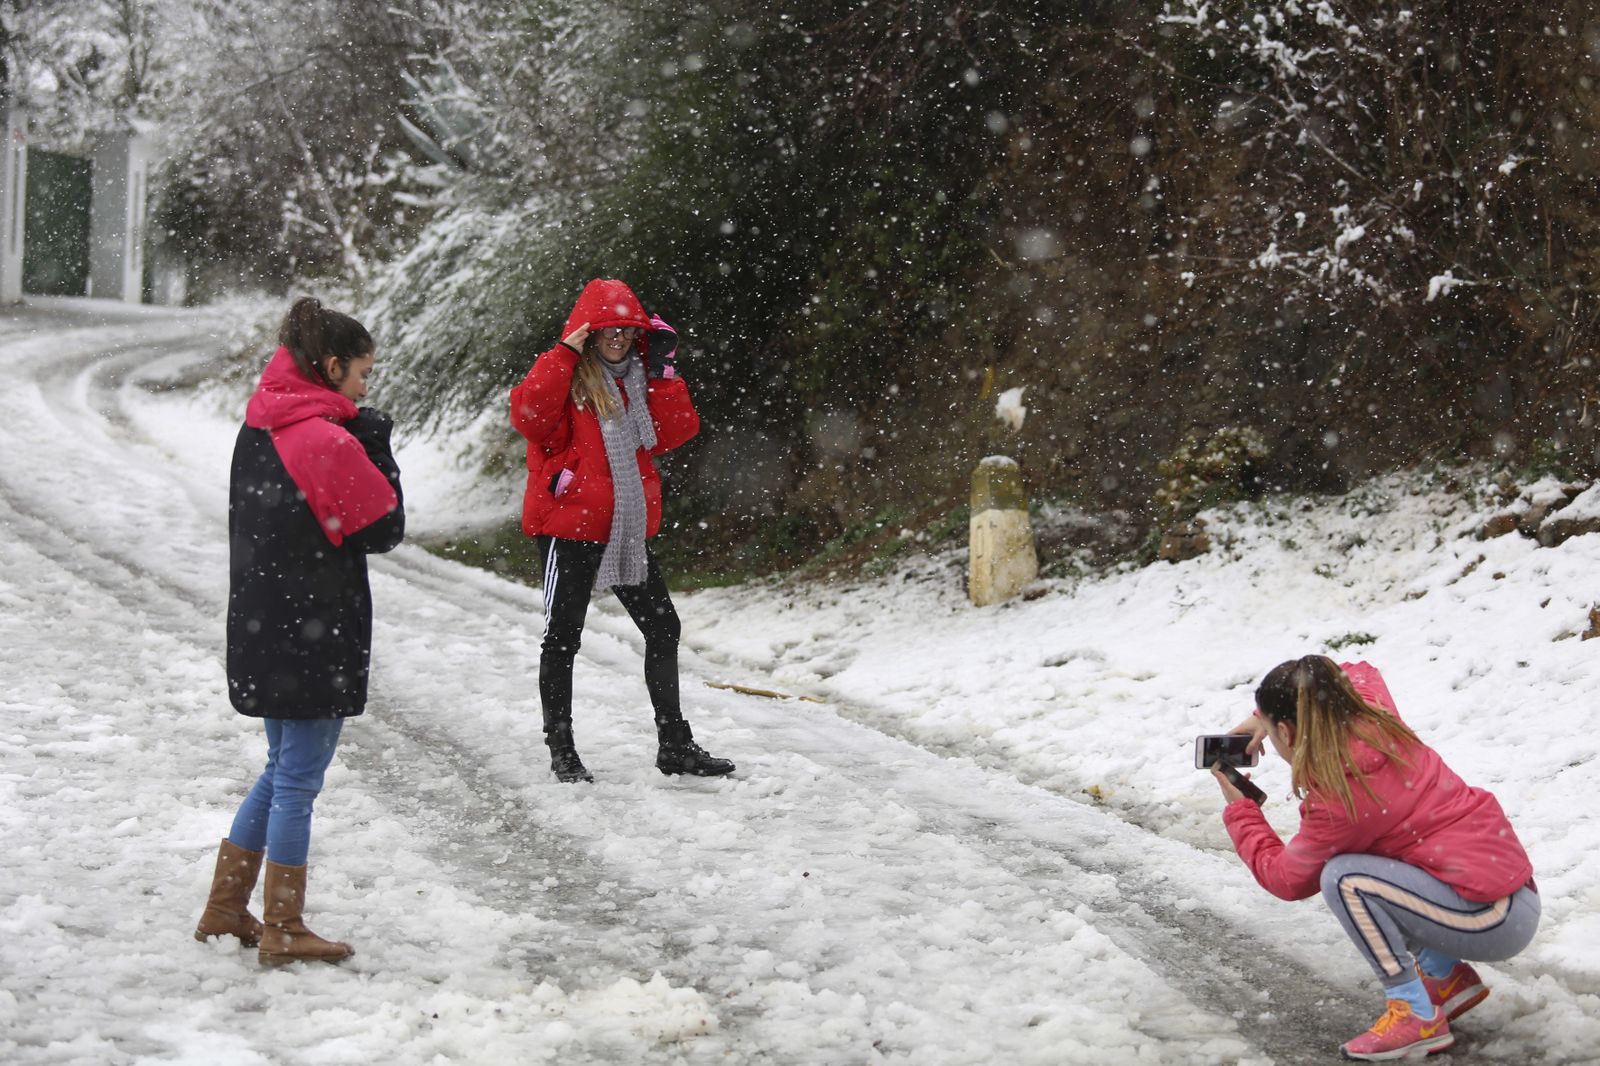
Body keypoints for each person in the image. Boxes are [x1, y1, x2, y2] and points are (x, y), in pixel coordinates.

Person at [194, 297, 405, 965]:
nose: (365, 389)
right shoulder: (326, 440)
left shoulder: (260, 425)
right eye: (362, 374)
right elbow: (385, 528)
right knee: (297, 781)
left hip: (266, 624)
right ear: (333, 367)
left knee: (282, 768)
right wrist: (377, 446)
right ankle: (284, 927)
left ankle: (226, 908)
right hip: (315, 631)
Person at [1215, 655, 1539, 1061]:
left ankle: (1414, 1013)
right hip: (1506, 896)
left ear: (1286, 731)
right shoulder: (1373, 713)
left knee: (1343, 877)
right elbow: (1356, 671)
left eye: (1273, 729)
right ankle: (1445, 976)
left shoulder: (1340, 798)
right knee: (1373, 856)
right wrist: (1265, 716)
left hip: (1492, 919)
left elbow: (1286, 879)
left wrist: (1241, 810)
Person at [509, 278, 733, 783]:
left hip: (624, 528)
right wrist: (562, 354)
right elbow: (529, 418)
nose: (618, 338)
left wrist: (664, 372)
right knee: (562, 639)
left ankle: (675, 744)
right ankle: (562, 750)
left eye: (627, 330)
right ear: (587, 333)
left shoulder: (639, 381)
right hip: (568, 527)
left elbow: (676, 431)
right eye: (607, 329)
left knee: (663, 628)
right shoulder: (567, 378)